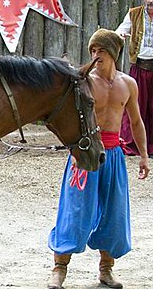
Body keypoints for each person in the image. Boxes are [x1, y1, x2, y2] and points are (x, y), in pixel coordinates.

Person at [47, 29, 150, 289]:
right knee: (75, 210)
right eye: (93, 50)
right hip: (85, 153)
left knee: (114, 212)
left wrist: (144, 156)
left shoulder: (128, 84)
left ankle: (106, 269)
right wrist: (73, 150)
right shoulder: (85, 82)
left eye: (101, 50)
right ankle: (59, 269)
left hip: (114, 155)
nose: (95, 55)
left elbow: (136, 122)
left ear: (113, 53)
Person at [115, 0, 153, 157]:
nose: (151, 1)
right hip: (139, 67)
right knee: (135, 105)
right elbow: (120, 30)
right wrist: (120, 35)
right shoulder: (134, 14)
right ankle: (132, 143)